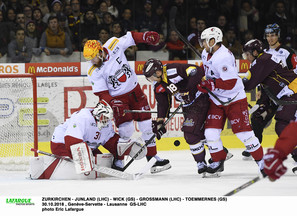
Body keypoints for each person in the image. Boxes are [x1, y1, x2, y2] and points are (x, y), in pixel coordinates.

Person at [83, 31, 171, 174]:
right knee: (126, 130)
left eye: (93, 58)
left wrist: (145, 37)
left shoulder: (112, 44)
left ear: (100, 51)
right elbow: (102, 93)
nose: (92, 61)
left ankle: (153, 158)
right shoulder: (93, 70)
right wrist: (112, 103)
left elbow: (131, 38)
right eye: (89, 59)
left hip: (135, 91)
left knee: (147, 125)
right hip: (118, 99)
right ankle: (119, 159)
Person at [197, 27, 265, 175]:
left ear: (212, 41)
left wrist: (211, 84)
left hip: (234, 99)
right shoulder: (205, 53)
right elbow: (207, 68)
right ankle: (217, 161)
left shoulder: (223, 57)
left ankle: (262, 162)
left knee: (244, 134)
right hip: (216, 100)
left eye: (204, 41)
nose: (202, 44)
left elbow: (231, 82)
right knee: (210, 133)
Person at [142, 58, 211, 175]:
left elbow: (196, 71)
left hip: (200, 99)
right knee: (198, 132)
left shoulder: (173, 70)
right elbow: (163, 104)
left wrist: (189, 91)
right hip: (188, 106)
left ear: (157, 72)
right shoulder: (158, 85)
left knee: (190, 132)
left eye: (150, 77)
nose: (150, 80)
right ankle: (219, 153)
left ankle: (202, 163)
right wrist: (160, 122)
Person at [242, 24, 297, 161]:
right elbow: (259, 77)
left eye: (273, 35)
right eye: (268, 35)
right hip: (273, 93)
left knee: (283, 124)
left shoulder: (286, 52)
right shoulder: (263, 54)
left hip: (289, 91)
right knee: (257, 116)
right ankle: (255, 146)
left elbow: (249, 81)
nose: (270, 38)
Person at [51, 100, 146, 170]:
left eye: (108, 119)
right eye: (104, 118)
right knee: (88, 165)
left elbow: (110, 141)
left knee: (102, 161)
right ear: (97, 114)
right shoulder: (82, 117)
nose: (106, 121)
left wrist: (124, 149)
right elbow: (71, 141)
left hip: (87, 146)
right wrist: (86, 160)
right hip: (61, 144)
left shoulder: (106, 123)